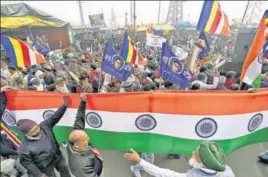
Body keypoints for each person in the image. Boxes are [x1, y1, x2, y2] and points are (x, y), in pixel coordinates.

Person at [17, 96, 72, 177]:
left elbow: (55, 117)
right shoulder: (23, 148)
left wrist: (65, 105)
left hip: (57, 156)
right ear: (26, 134)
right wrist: (39, 174)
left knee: (64, 168)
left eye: (37, 127)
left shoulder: (44, 125)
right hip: (44, 165)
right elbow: (27, 163)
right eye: (33, 131)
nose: (37, 130)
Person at [124, 141, 235, 177]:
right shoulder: (227, 170)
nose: (192, 153)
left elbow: (164, 174)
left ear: (204, 163)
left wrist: (140, 161)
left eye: (196, 154)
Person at [67, 93, 104, 177]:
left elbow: (79, 119)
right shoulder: (81, 166)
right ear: (76, 145)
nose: (88, 139)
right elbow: (94, 174)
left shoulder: (75, 137)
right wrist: (99, 164)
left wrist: (83, 102)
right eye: (85, 139)